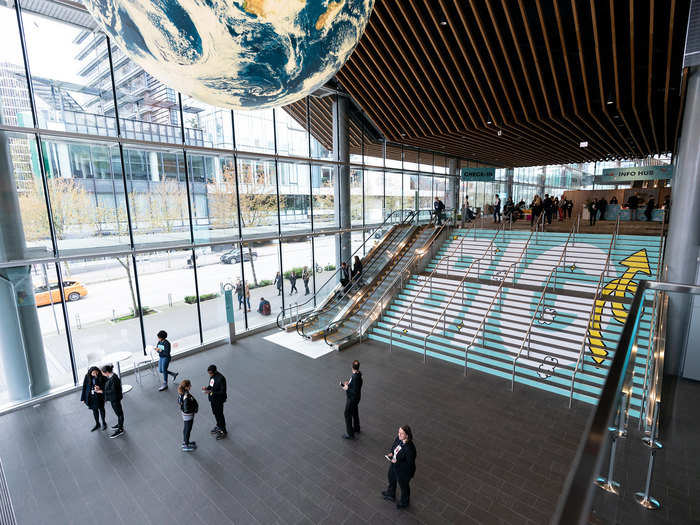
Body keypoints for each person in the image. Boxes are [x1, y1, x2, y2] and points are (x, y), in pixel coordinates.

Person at [382, 425, 417, 509]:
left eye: (402, 433)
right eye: (399, 432)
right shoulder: (399, 439)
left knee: (404, 486)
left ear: (407, 435)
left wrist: (397, 462)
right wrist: (391, 453)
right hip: (395, 465)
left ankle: (405, 502)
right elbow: (394, 447)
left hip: (404, 471)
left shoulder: (409, 449)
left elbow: (410, 464)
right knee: (391, 477)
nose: (399, 435)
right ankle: (391, 494)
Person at [97, 364, 124, 438]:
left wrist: (101, 391)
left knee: (119, 414)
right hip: (114, 398)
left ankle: (120, 429)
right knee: (118, 413)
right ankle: (119, 424)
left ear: (106, 372)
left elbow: (113, 391)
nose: (102, 374)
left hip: (115, 399)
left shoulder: (113, 379)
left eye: (102, 373)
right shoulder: (112, 376)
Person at [202, 365, 227, 440]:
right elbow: (211, 385)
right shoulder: (212, 377)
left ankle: (223, 430)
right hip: (213, 399)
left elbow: (222, 392)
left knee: (220, 414)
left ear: (215, 371)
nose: (210, 375)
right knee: (215, 413)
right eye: (209, 373)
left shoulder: (221, 378)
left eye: (210, 373)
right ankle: (219, 426)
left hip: (219, 400)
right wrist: (206, 388)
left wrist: (211, 391)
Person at [80, 366, 107, 432]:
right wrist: (83, 398)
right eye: (93, 373)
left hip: (99, 396)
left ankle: (104, 423)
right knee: (94, 410)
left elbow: (106, 385)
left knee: (101, 409)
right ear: (90, 373)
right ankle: (97, 423)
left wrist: (99, 387)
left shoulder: (101, 376)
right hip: (91, 396)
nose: (95, 374)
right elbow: (84, 387)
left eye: (96, 372)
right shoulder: (87, 376)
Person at [341, 360, 363, 439]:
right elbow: (355, 387)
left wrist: (346, 388)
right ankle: (357, 428)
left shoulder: (354, 377)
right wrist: (349, 384)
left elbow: (354, 391)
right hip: (357, 398)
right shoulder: (358, 374)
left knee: (347, 414)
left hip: (352, 399)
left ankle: (350, 433)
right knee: (354, 411)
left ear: (352, 367)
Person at [178, 379, 198, 451]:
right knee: (187, 429)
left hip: (185, 415)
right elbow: (186, 409)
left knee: (186, 428)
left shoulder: (182, 393)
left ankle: (186, 442)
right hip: (188, 416)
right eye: (189, 385)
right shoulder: (186, 396)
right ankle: (186, 445)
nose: (191, 386)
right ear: (186, 387)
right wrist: (193, 410)